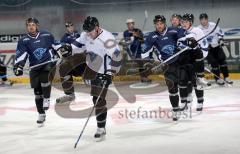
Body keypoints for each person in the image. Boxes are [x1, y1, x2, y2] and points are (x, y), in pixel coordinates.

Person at [57, 16, 122, 141]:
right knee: (64, 66)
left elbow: (117, 57)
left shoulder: (107, 39)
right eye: (87, 31)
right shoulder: (86, 34)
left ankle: (101, 128)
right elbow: (78, 44)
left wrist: (110, 74)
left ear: (97, 28)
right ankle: (70, 94)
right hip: (89, 65)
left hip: (103, 72)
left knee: (97, 99)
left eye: (90, 31)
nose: (88, 34)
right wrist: (69, 48)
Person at [141, 15, 187, 121]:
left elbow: (184, 38)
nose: (159, 26)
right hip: (166, 65)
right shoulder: (152, 36)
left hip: (178, 61)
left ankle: (185, 101)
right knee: (172, 88)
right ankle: (175, 110)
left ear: (165, 23)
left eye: (161, 23)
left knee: (183, 82)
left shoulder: (174, 30)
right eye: (157, 24)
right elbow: (145, 52)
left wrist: (188, 42)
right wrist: (149, 63)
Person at [13, 17, 56, 125]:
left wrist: (62, 50)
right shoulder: (23, 40)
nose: (31, 27)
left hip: (47, 63)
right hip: (34, 67)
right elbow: (21, 55)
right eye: (28, 25)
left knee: (45, 79)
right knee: (37, 93)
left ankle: (47, 99)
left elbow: (55, 45)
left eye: (33, 24)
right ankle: (41, 114)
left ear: (37, 25)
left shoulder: (46, 35)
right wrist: (18, 66)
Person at [179, 13, 210, 112]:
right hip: (185, 60)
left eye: (186, 22)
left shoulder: (197, 31)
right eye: (182, 21)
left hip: (196, 60)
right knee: (186, 80)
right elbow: (178, 44)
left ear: (191, 22)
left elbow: (204, 46)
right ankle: (188, 99)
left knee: (197, 81)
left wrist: (200, 57)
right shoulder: (180, 31)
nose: (183, 24)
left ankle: (200, 101)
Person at [56, 21, 87, 104]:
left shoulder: (79, 35)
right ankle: (69, 94)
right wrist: (64, 52)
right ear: (66, 28)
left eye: (71, 26)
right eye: (68, 26)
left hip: (82, 59)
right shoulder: (64, 38)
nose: (70, 28)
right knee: (63, 68)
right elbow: (64, 49)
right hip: (71, 60)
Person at [198, 13, 233, 85]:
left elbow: (220, 33)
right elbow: (198, 40)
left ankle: (226, 77)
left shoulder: (213, 25)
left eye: (205, 19)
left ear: (207, 19)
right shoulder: (198, 29)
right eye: (201, 20)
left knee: (222, 61)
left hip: (216, 46)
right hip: (207, 49)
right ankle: (218, 79)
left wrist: (220, 39)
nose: (203, 21)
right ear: (200, 21)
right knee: (214, 63)